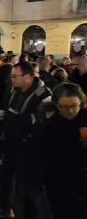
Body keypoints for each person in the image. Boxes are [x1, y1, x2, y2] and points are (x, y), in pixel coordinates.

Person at [0, 62, 52, 219]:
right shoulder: (16, 90)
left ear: (28, 77)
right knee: (6, 178)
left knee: (29, 188)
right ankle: (6, 209)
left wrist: (12, 119)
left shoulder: (44, 95)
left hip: (30, 148)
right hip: (12, 143)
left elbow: (40, 122)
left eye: (15, 76)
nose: (12, 79)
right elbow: (14, 113)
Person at [39, 83, 87, 219]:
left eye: (74, 106)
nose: (70, 111)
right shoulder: (50, 124)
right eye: (64, 107)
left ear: (81, 102)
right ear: (55, 104)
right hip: (58, 181)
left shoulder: (85, 119)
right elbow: (42, 153)